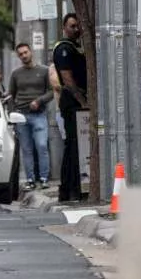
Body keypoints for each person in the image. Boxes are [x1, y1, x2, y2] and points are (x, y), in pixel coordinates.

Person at [52, 13, 89, 202]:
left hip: (78, 102)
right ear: (64, 27)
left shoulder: (78, 47)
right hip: (72, 103)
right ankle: (69, 188)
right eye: (72, 26)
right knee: (73, 147)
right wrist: (82, 101)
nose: (76, 29)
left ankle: (73, 188)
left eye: (78, 26)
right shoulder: (64, 49)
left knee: (77, 147)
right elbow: (67, 79)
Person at [8, 43, 54, 189]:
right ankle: (30, 180)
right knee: (26, 149)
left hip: (39, 114)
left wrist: (39, 101)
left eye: (25, 52)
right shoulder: (16, 74)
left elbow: (51, 92)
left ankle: (44, 178)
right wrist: (12, 115)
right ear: (18, 56)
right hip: (21, 115)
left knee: (41, 145)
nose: (24, 56)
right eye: (20, 54)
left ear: (31, 52)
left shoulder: (44, 70)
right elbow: (11, 95)